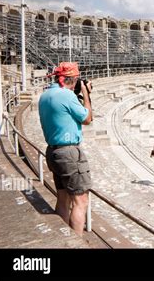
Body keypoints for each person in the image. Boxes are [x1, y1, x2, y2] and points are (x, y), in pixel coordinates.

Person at [38, 62, 92, 236]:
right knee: (80, 200)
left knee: (62, 198)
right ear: (74, 79)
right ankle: (76, 243)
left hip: (53, 152)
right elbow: (88, 118)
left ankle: (63, 238)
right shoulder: (67, 96)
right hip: (69, 153)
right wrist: (86, 94)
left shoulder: (45, 95)